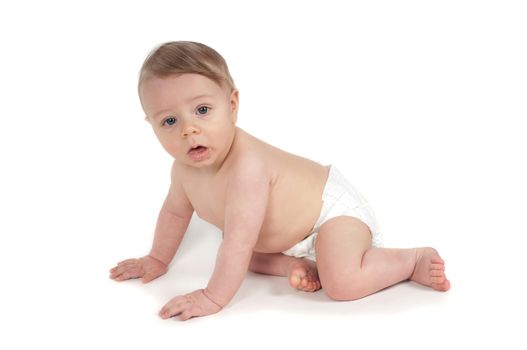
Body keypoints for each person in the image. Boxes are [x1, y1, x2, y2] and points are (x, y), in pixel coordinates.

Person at [109, 41, 450, 321]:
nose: (188, 129)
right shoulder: (182, 171)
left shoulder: (248, 166)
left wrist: (212, 297)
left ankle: (411, 260)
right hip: (281, 238)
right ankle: (298, 264)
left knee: (341, 283)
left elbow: (239, 242)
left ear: (232, 105)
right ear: (151, 125)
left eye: (201, 110)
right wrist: (157, 258)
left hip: (328, 216)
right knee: (243, 256)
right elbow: (174, 215)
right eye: (169, 120)